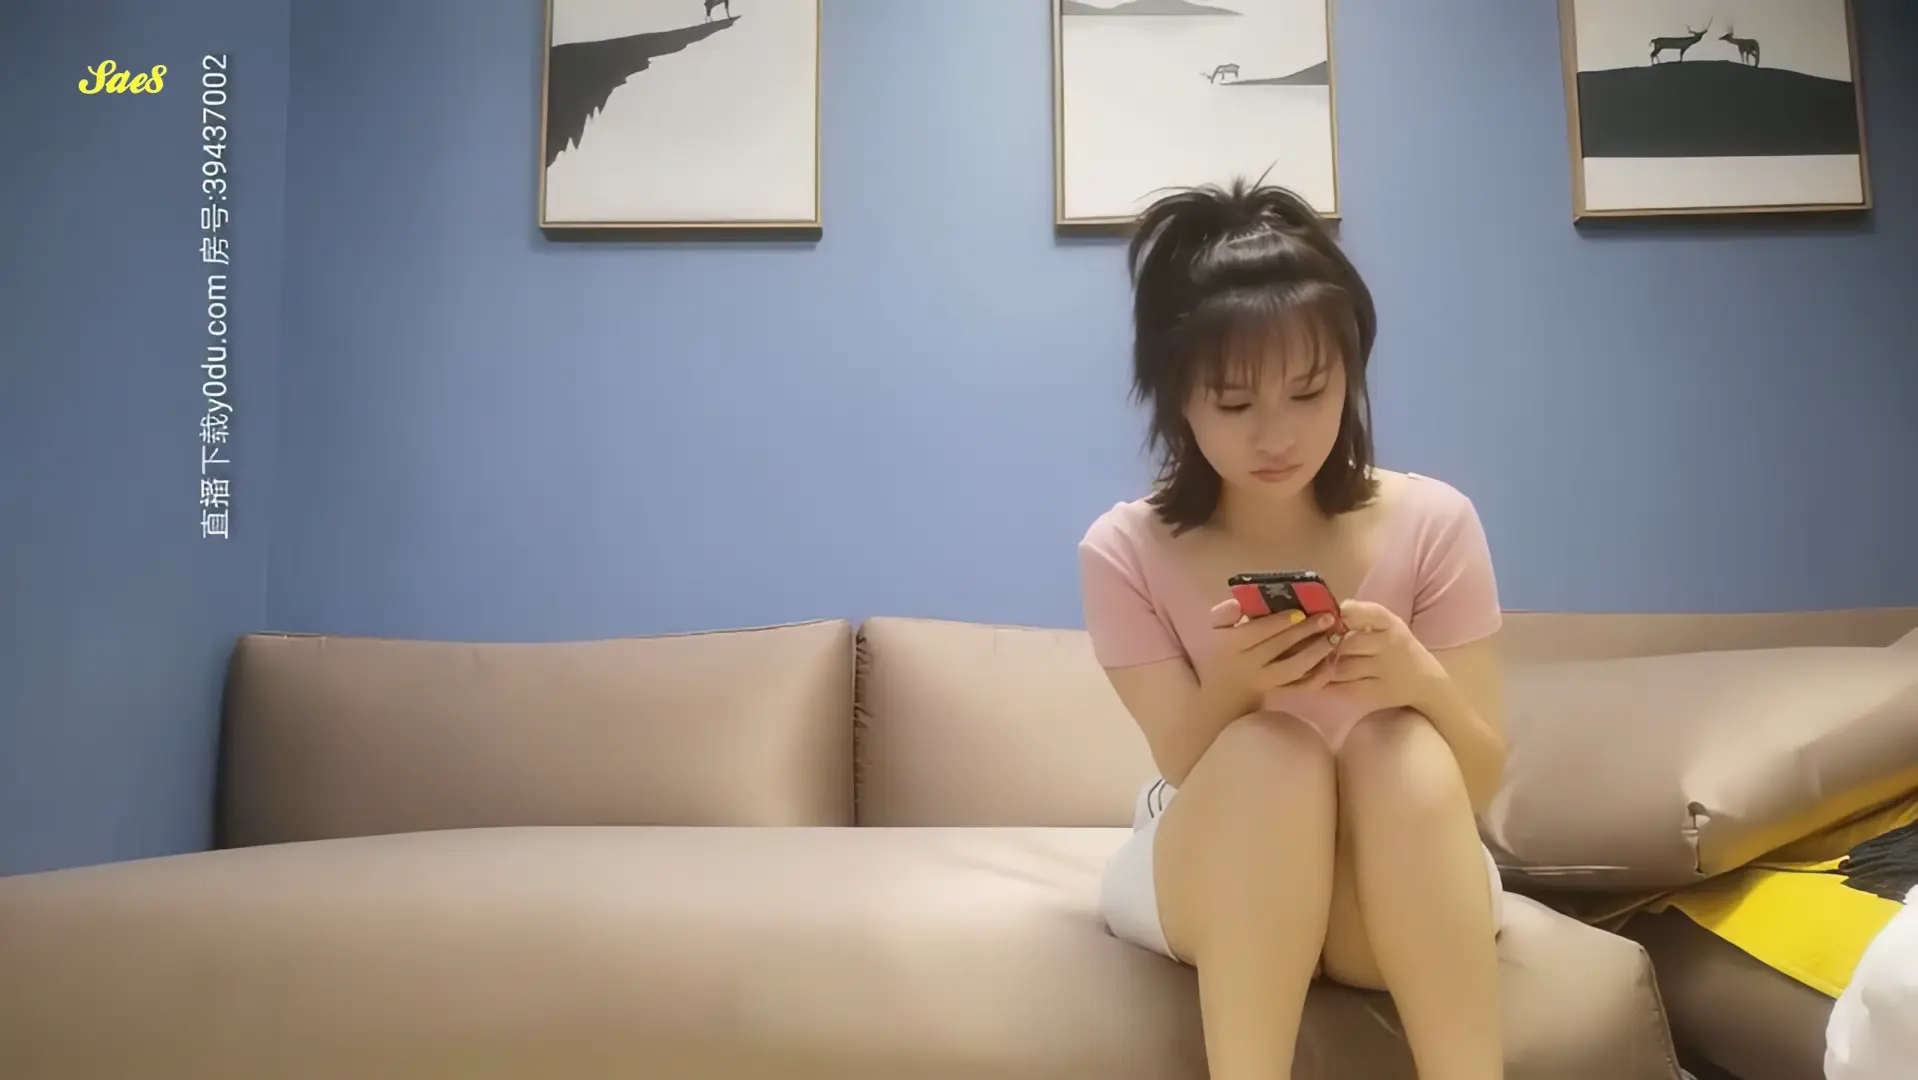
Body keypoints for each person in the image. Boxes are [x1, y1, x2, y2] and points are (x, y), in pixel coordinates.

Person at [1078, 178, 1507, 1080]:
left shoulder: (1435, 523)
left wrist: (1419, 684)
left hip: (1395, 870)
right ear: (1178, 398)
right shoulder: (1125, 550)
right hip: (1217, 865)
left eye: (1310, 393)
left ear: (1349, 375)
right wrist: (1236, 684)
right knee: (1273, 753)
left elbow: (1478, 780)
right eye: (1234, 404)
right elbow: (1180, 761)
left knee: (1400, 745)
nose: (1276, 436)